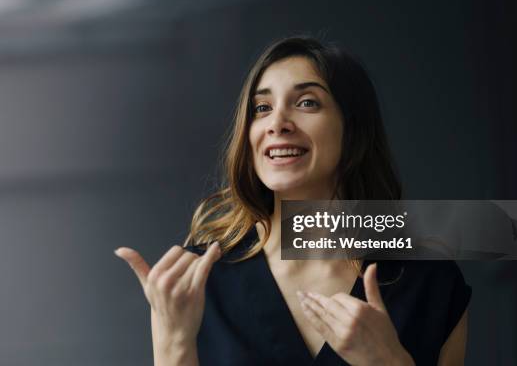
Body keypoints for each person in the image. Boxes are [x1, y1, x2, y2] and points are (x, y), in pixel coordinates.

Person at [115, 36, 472, 365]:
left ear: (354, 129)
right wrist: (173, 341)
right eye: (262, 107)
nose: (278, 123)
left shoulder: (430, 280)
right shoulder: (196, 282)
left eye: (306, 103)